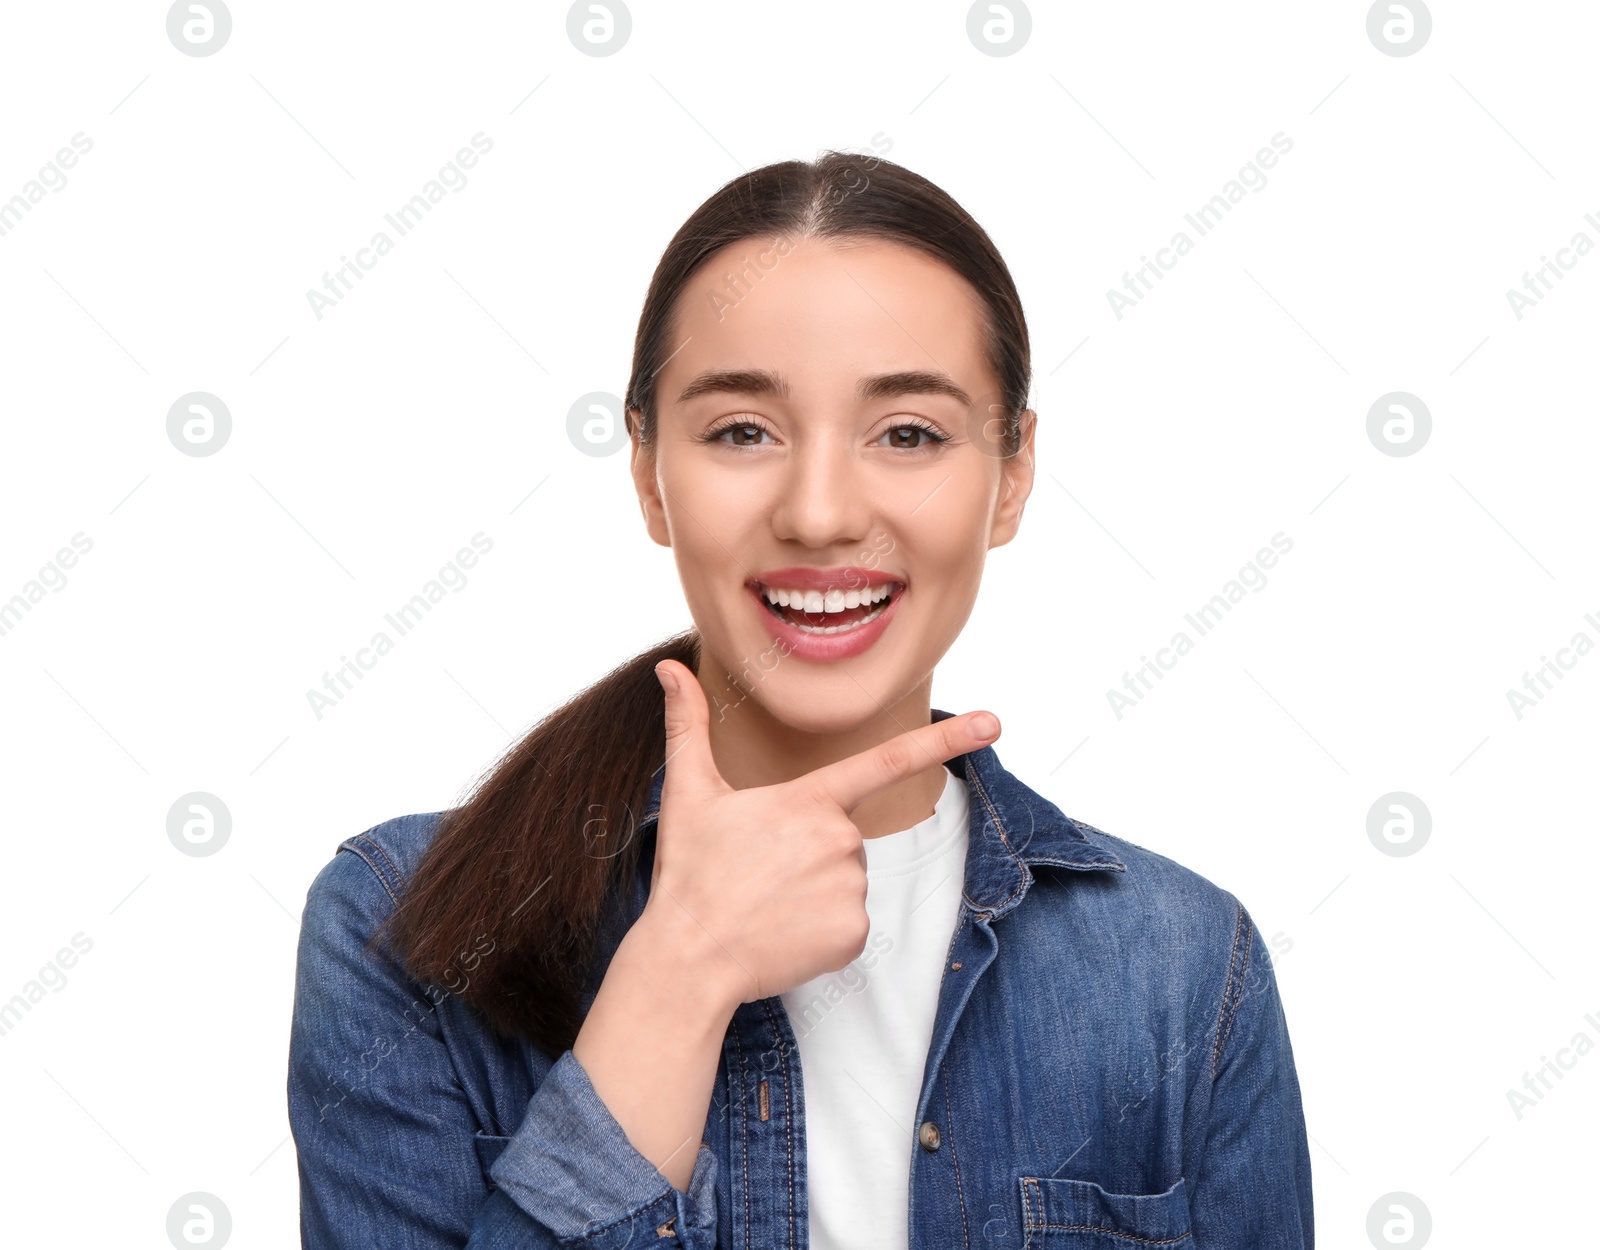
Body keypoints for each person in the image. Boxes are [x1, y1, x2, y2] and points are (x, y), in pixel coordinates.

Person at [287, 149, 1314, 1249]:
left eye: (908, 433)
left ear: (1011, 472)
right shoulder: (407, 926)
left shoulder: (1182, 967)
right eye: (741, 431)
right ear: (646, 471)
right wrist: (677, 975)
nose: (820, 512)